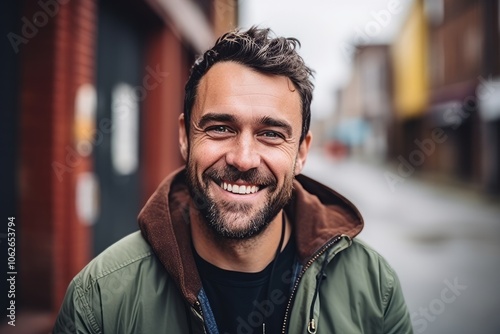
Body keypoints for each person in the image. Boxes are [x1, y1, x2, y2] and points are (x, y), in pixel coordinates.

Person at [53, 26, 413, 334]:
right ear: (184, 136)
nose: (243, 159)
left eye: (271, 133)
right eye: (221, 128)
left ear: (301, 152)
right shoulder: (99, 299)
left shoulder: (374, 289)